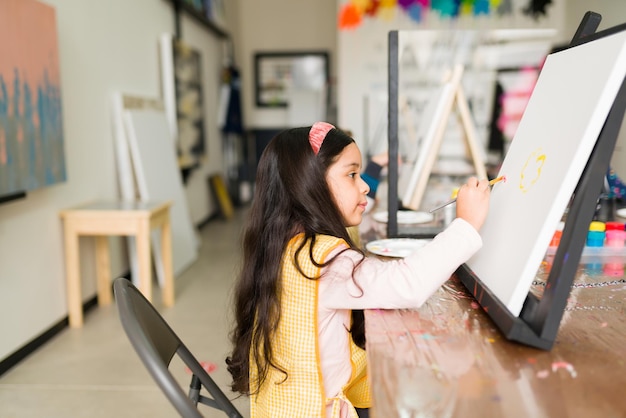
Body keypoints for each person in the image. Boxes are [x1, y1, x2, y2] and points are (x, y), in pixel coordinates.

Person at [226, 122, 491, 418]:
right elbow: (407, 284)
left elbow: (360, 204)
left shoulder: (285, 243)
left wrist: (374, 169)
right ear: (309, 185)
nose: (363, 185)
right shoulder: (322, 261)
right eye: (352, 175)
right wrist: (465, 226)